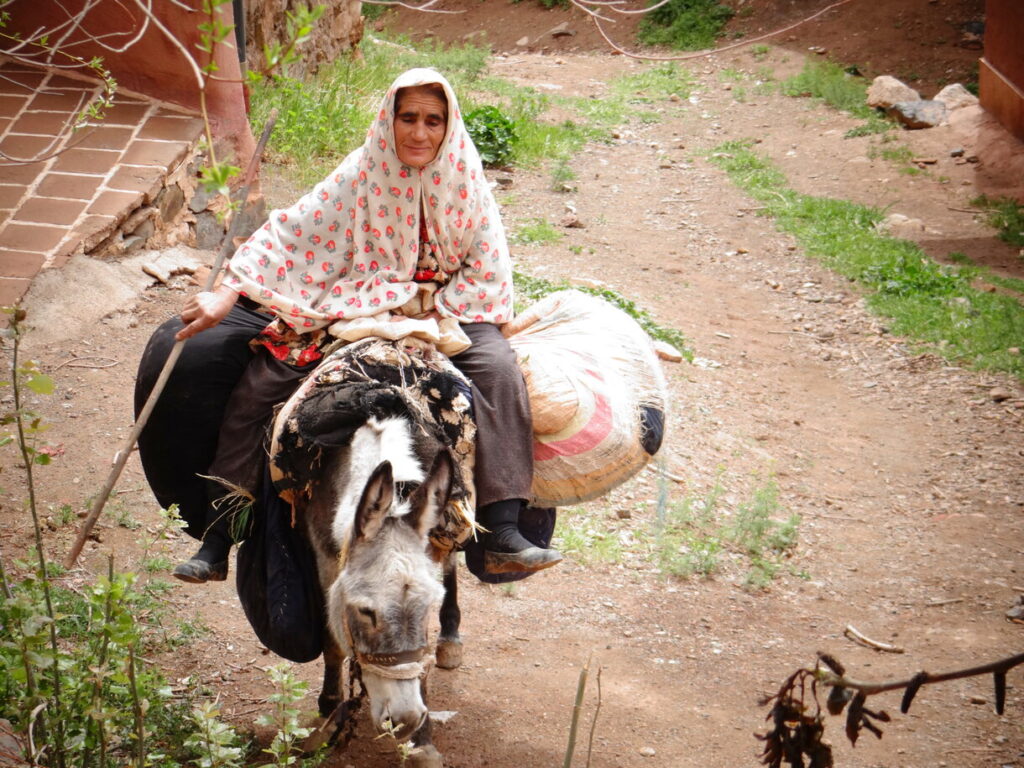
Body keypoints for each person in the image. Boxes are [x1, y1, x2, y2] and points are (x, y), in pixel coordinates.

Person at [135, 68, 562, 584]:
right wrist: (227, 291)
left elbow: (487, 265)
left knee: (497, 370)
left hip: (449, 309)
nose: (419, 133)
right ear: (390, 119)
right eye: (408, 118)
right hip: (362, 302)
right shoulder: (361, 172)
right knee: (263, 383)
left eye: (433, 120)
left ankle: (503, 528)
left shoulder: (467, 180)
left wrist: (433, 307)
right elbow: (289, 232)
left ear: (449, 125)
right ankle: (220, 534)